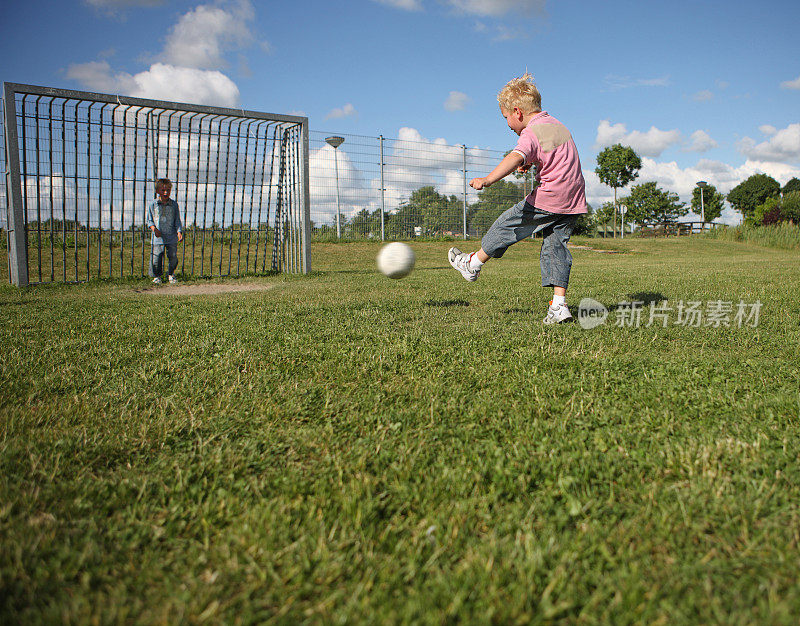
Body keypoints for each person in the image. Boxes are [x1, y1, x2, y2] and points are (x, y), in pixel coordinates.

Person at [448, 73, 587, 324]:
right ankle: (559, 306)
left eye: (506, 119)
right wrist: (531, 162)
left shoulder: (531, 132)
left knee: (506, 225)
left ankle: (472, 264)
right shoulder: (557, 125)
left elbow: (515, 156)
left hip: (551, 196)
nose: (508, 125)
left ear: (517, 111)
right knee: (556, 247)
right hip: (574, 198)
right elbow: (554, 157)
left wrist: (488, 179)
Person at [146, 178, 183, 284]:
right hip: (158, 236)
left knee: (173, 256)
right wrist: (154, 229)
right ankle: (157, 276)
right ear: (157, 191)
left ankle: (171, 274)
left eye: (168, 190)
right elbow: (149, 220)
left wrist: (179, 231)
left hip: (171, 236)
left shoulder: (174, 205)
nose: (166, 192)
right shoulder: (153, 205)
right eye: (163, 190)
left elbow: (177, 220)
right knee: (156, 258)